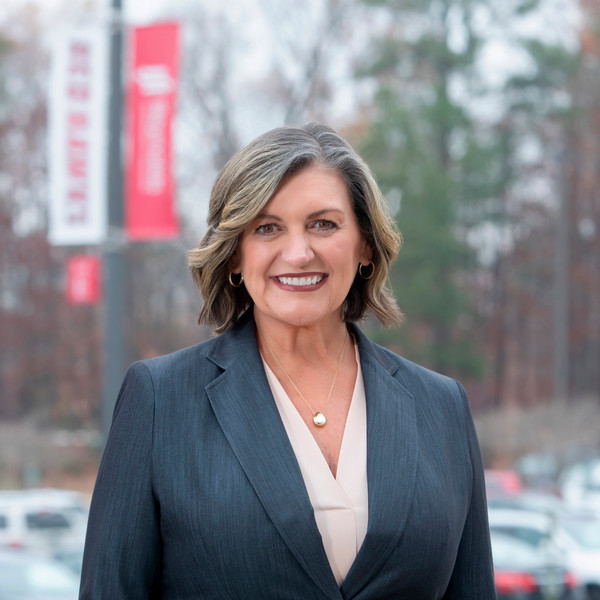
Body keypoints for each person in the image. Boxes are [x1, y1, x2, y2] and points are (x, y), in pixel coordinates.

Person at [79, 122, 496, 599]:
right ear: (235, 253)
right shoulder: (160, 399)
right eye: (267, 228)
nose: (298, 253)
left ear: (364, 244)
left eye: (324, 224)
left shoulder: (441, 407)